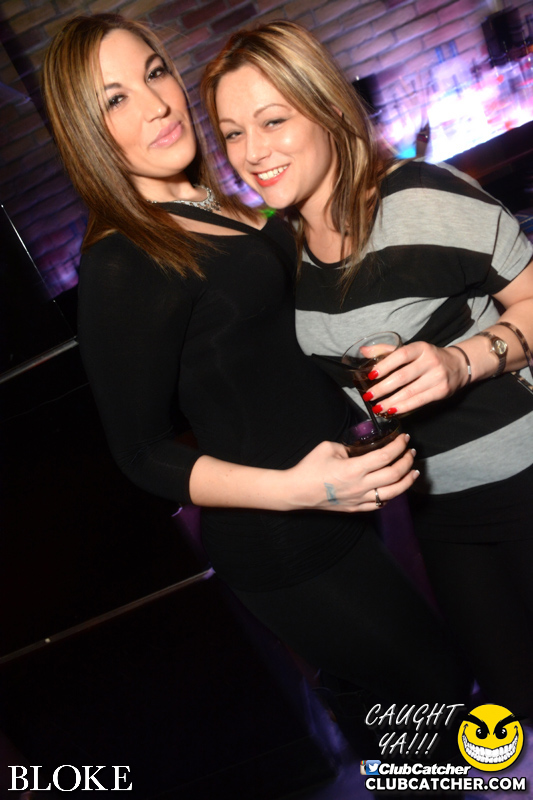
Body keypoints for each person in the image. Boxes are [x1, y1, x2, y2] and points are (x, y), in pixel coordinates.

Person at [42, 14, 470, 755]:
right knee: (440, 699)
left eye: (154, 72)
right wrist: (299, 490)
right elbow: (140, 453)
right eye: (115, 99)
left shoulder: (210, 206)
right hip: (284, 537)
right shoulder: (121, 261)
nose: (157, 103)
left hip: (341, 501)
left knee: (406, 719)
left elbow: (267, 347)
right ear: (86, 131)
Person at [204, 20, 533, 721]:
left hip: (526, 474)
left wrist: (459, 362)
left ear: (326, 107)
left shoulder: (420, 196)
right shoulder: (283, 250)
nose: (252, 152)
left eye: (272, 120)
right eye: (232, 133)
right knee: (513, 702)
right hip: (441, 513)